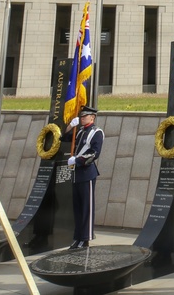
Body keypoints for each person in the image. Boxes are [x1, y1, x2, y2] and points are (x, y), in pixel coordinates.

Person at [65, 105, 103, 250]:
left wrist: (77, 160)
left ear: (92, 117)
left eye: (84, 116)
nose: (81, 118)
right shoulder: (79, 131)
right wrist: (70, 126)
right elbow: (65, 138)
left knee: (87, 207)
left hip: (87, 173)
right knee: (78, 208)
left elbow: (95, 153)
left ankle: (85, 238)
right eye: (81, 116)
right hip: (76, 174)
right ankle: (78, 237)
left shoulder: (96, 132)